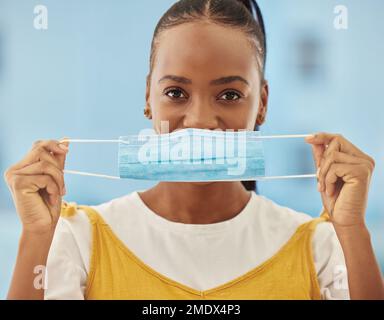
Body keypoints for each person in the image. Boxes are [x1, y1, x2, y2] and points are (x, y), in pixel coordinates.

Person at [4, 0, 383, 300]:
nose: (201, 119)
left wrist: (353, 230)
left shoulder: (319, 245)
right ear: (148, 97)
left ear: (262, 104)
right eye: (175, 93)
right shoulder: (78, 239)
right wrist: (36, 236)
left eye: (230, 95)